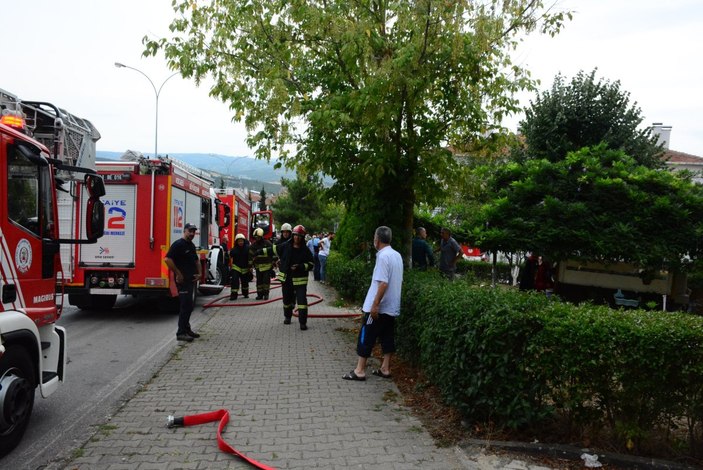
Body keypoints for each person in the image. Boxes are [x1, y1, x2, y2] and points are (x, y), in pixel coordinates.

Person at [343, 226, 403, 381]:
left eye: (374, 237)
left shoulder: (383, 256)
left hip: (379, 307)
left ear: (377, 239)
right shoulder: (397, 255)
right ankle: (385, 368)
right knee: (387, 336)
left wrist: (375, 305)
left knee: (366, 335)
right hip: (392, 306)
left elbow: (383, 283)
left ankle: (360, 370)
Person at [164, 223, 202, 342]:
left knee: (189, 306)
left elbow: (196, 260)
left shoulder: (190, 245)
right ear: (184, 231)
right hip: (183, 281)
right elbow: (167, 259)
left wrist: (200, 273)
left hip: (190, 280)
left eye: (194, 232)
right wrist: (178, 273)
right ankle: (181, 333)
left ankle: (187, 329)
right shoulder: (178, 245)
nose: (192, 234)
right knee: (185, 306)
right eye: (190, 231)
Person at [275, 225, 314, 330]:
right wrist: (258, 252)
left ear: (302, 237)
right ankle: (288, 316)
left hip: (300, 280)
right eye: (296, 235)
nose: (297, 238)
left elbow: (311, 264)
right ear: (293, 236)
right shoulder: (285, 246)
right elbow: (272, 250)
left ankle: (303, 322)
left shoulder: (305, 250)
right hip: (287, 279)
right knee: (287, 300)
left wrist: (300, 267)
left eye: (299, 236)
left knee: (302, 302)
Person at [249, 228, 274, 300]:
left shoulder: (267, 243)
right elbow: (250, 256)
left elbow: (273, 252)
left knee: (266, 281)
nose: (257, 238)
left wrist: (273, 263)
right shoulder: (253, 246)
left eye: (258, 237)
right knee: (259, 282)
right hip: (258, 267)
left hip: (267, 267)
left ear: (262, 236)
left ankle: (266, 294)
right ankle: (259, 295)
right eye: (256, 237)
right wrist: (250, 266)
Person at [229, 233, 251, 300]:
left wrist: (251, 267)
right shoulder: (234, 250)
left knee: (245, 282)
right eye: (239, 241)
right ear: (236, 242)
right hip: (236, 267)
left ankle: (245, 293)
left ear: (244, 241)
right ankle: (234, 295)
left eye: (242, 241)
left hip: (245, 268)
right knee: (235, 281)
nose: (240, 242)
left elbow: (251, 257)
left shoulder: (248, 248)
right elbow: (230, 257)